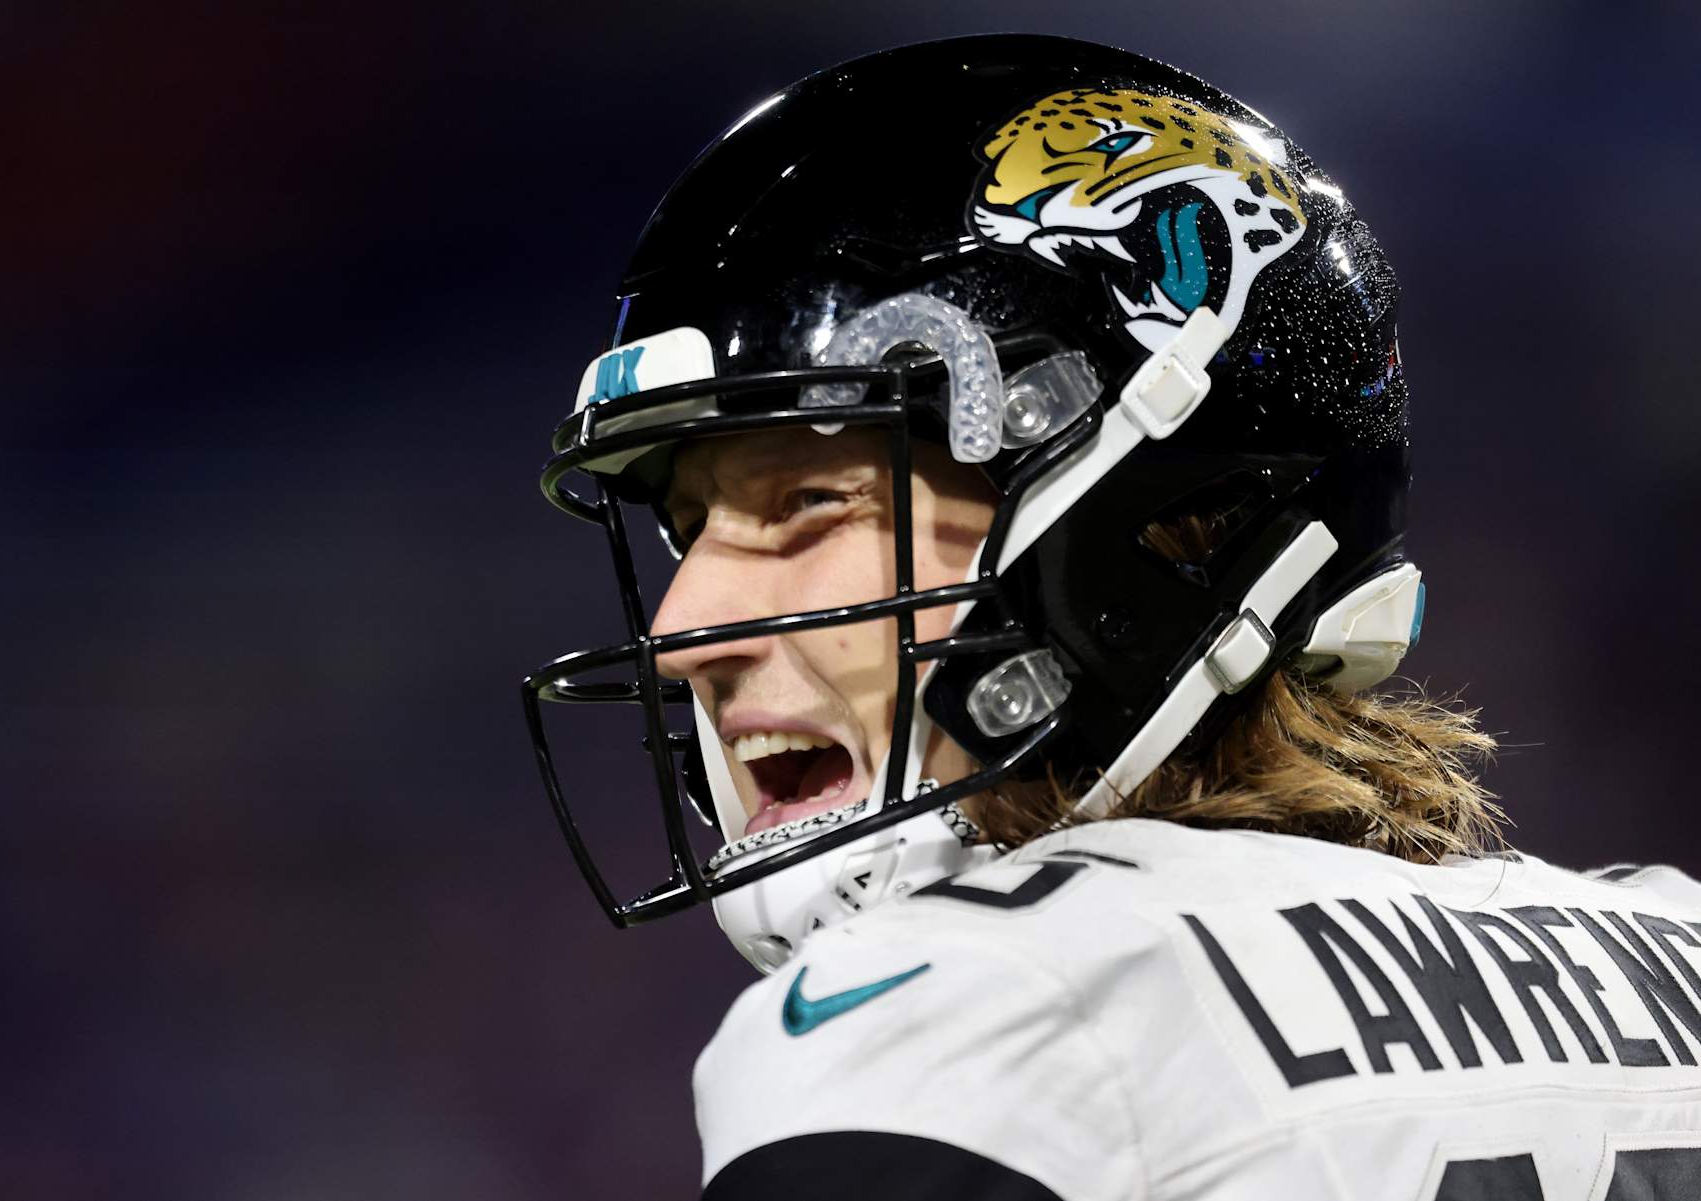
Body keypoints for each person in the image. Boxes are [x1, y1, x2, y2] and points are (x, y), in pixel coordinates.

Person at [522, 34, 1701, 1200]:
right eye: (693, 528)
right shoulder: (1673, 958)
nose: (688, 628)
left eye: (811, 503)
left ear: (1152, 518)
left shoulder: (972, 1007)